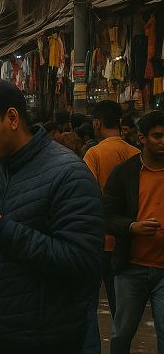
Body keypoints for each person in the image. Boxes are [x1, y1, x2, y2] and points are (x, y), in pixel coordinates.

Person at [0, 80, 104, 353]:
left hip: (50, 342)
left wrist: (1, 230)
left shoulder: (69, 175)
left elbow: (83, 262)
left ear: (12, 118)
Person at [103, 110, 164, 353]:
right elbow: (105, 215)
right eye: (157, 136)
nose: (163, 141)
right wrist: (131, 227)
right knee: (122, 333)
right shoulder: (125, 173)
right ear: (142, 138)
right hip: (131, 267)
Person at [83, 100, 140, 320]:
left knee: (89, 302)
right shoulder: (137, 153)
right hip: (131, 238)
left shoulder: (94, 154)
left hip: (101, 239)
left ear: (97, 123)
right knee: (122, 306)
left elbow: (87, 196)